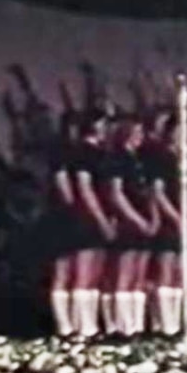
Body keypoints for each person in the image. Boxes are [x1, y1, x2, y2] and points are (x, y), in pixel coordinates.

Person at [107, 117, 159, 336]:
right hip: (128, 219)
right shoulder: (118, 159)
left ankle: (136, 325)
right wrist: (136, 219)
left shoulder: (141, 161)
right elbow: (116, 193)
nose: (140, 137)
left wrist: (154, 217)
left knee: (139, 273)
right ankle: (122, 325)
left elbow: (149, 194)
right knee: (125, 273)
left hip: (145, 217)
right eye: (135, 132)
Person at [67, 111, 116, 337]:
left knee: (96, 273)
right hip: (86, 217)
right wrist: (100, 218)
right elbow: (85, 188)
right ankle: (80, 327)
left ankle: (91, 324)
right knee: (84, 272)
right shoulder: (83, 154)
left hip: (102, 214)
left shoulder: (102, 154)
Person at [149, 116, 185, 335]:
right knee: (165, 269)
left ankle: (175, 321)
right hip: (167, 220)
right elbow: (158, 193)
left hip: (181, 220)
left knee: (178, 272)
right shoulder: (161, 159)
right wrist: (176, 217)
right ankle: (163, 324)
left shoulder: (183, 160)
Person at [47, 111, 81, 336]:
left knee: (76, 271)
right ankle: (64, 325)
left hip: (75, 216)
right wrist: (73, 206)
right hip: (62, 217)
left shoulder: (78, 154)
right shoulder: (60, 154)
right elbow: (63, 186)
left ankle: (76, 323)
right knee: (62, 271)